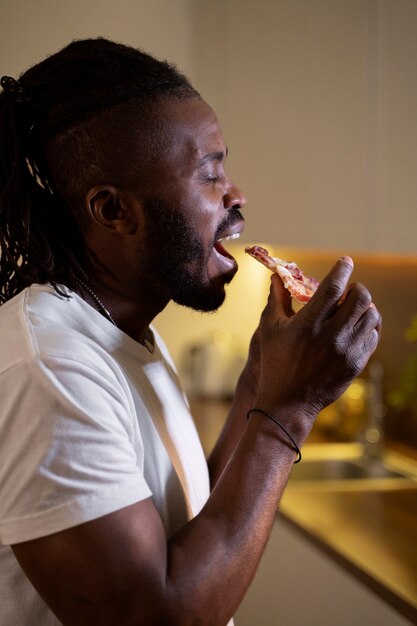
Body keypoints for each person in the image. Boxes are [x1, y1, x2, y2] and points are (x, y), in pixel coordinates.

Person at [0, 37, 381, 626]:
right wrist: (290, 410)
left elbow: (183, 514)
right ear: (114, 210)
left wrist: (262, 375)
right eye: (209, 174)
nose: (237, 194)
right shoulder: (50, 367)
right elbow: (156, 615)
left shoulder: (120, 332)